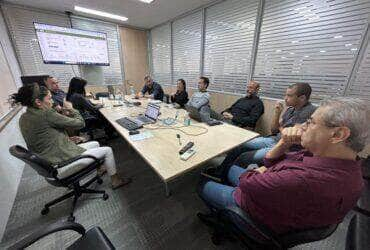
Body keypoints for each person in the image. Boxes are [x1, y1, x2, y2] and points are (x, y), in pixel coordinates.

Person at [198, 97, 368, 234]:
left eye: (310, 122)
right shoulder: (332, 159)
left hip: (259, 212)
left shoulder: (306, 179)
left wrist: (256, 171)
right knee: (230, 169)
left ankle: (226, 219)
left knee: (202, 184)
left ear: (338, 134)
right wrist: (284, 143)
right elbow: (269, 162)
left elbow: (247, 182)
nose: (301, 127)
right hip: (273, 195)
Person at [11, 83, 131, 189]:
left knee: (96, 143)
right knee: (108, 150)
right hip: (60, 164)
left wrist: (66, 139)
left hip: (48, 161)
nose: (52, 101)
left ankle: (100, 169)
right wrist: (72, 109)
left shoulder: (24, 118)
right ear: (38, 102)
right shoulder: (46, 114)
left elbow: (42, 138)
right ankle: (116, 181)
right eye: (50, 98)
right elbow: (80, 123)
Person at [204, 83, 316, 181]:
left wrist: (281, 128)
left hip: (284, 148)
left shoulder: (309, 112)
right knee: (239, 146)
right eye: (285, 94)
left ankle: (230, 179)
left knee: (244, 157)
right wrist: (277, 113)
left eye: (289, 95)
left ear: (302, 98)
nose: (285, 98)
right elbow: (274, 129)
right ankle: (221, 172)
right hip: (273, 139)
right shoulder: (291, 109)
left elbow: (286, 136)